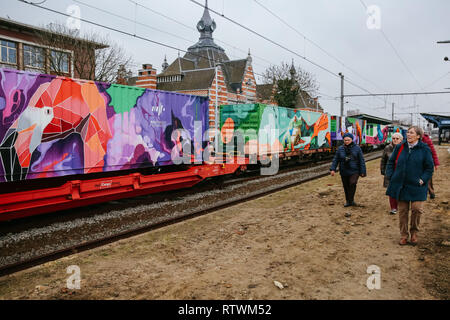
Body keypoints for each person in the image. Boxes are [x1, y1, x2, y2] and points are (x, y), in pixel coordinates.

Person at [385, 126, 434, 246]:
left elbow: (429, 167)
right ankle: (403, 235)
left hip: (417, 185)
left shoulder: (424, 149)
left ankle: (414, 233)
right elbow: (391, 162)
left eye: (411, 133)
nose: (408, 134)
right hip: (402, 184)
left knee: (417, 209)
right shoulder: (400, 146)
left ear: (418, 136)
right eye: (408, 132)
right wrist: (391, 175)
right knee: (402, 211)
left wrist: (423, 179)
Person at [330, 132, 367, 207]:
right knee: (346, 186)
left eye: (348, 140)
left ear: (352, 140)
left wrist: (363, 171)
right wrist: (332, 169)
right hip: (344, 170)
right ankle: (348, 201)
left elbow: (361, 160)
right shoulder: (340, 149)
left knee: (352, 183)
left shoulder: (357, 148)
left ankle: (351, 200)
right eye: (345, 140)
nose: (346, 141)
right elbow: (336, 159)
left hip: (354, 170)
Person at [380, 132, 404, 214]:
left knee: (401, 190)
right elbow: (383, 160)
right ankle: (393, 208)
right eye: (393, 138)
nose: (395, 140)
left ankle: (401, 205)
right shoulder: (387, 148)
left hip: (401, 173)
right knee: (391, 190)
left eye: (397, 139)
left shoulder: (404, 148)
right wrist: (383, 170)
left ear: (401, 140)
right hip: (390, 173)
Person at [421, 132, 440, 199]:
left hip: (426, 162)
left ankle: (431, 192)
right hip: (417, 162)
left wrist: (436, 163)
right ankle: (425, 192)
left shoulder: (427, 140)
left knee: (428, 178)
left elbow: (433, 151)